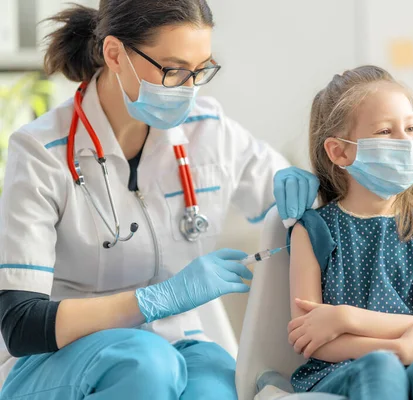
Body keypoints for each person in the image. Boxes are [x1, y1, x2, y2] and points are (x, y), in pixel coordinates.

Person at [0, 1, 317, 399]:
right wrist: (155, 300)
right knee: (145, 365)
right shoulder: (41, 151)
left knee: (216, 388)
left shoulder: (209, 129)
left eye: (201, 70)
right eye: (173, 69)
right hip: (58, 357)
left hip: (180, 341)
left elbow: (293, 203)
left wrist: (310, 188)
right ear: (115, 54)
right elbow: (21, 324)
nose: (191, 88)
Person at [287, 66, 413, 399]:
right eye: (385, 131)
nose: (405, 141)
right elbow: (311, 339)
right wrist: (399, 348)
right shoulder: (312, 231)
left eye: (410, 128)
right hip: (343, 371)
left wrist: (344, 318)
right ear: (339, 152)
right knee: (381, 365)